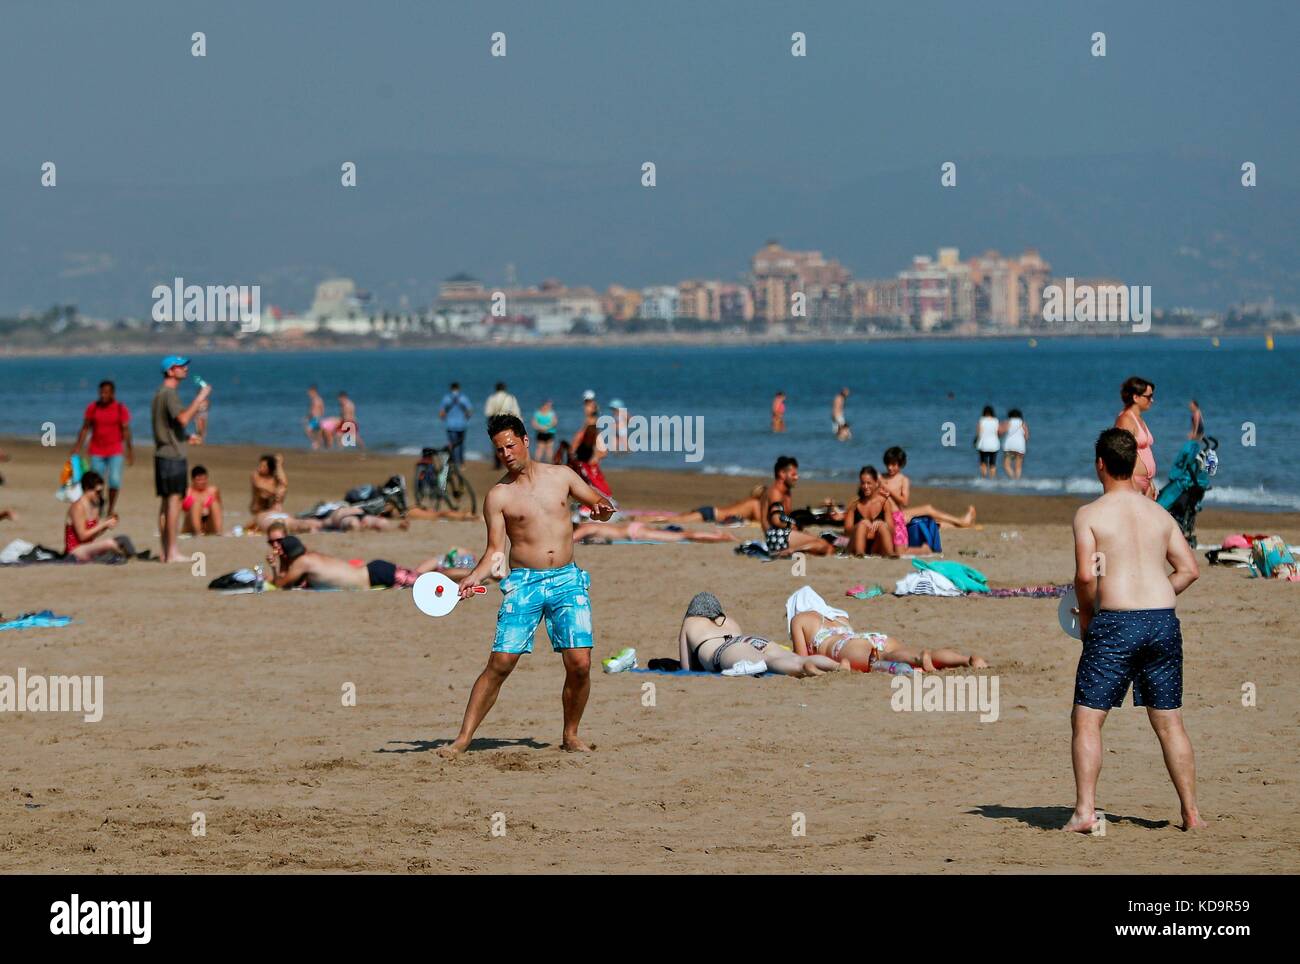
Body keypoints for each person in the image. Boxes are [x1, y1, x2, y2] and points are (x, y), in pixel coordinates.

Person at [438, 414, 616, 759]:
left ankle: (571, 734)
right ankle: (462, 739)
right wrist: (473, 577)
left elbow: (599, 503)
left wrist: (603, 511)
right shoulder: (499, 496)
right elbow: (494, 552)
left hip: (567, 579)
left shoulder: (561, 476)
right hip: (524, 584)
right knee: (501, 663)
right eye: (498, 449)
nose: (505, 453)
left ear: (525, 441)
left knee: (580, 663)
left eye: (510, 445)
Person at [1067, 427, 1203, 833]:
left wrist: (1089, 616)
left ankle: (1085, 812)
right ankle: (1192, 813)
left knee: (1087, 719)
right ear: (1134, 465)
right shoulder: (1159, 514)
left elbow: (1084, 576)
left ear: (1100, 465)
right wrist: (1160, 590)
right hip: (1163, 620)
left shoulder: (1089, 515)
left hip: (1116, 622)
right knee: (1170, 722)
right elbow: (1189, 570)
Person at [787, 586, 986, 672]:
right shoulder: (838, 615)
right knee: (904, 653)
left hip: (844, 647)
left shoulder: (800, 618)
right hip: (867, 637)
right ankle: (966, 660)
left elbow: (800, 659)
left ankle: (919, 659)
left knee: (884, 659)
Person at [677, 592, 840, 677]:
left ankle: (802, 668)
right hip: (750, 640)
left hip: (727, 649)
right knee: (795, 656)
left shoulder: (690, 622)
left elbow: (687, 668)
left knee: (767, 662)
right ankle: (837, 666)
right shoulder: (729, 620)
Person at [152, 356, 210, 562]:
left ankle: (166, 551)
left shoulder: (160, 393)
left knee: (167, 504)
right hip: (172, 457)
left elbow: (168, 426)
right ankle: (172, 552)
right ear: (170, 371)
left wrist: (185, 437)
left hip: (163, 454)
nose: (185, 369)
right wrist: (200, 398)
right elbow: (184, 418)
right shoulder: (169, 394)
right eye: (180, 366)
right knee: (173, 504)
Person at [266, 531, 419, 590]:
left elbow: (281, 584)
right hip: (375, 570)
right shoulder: (311, 556)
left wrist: (275, 565)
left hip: (375, 575)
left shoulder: (303, 563)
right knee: (424, 580)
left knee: (427, 582)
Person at [70, 380, 133, 515]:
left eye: (106, 392)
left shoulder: (120, 408)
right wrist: (77, 446)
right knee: (96, 483)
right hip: (97, 450)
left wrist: (130, 450)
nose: (103, 395)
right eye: (101, 392)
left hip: (115, 450)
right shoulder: (93, 408)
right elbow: (85, 428)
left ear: (112, 393)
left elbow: (126, 430)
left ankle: (111, 507)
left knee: (114, 481)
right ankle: (99, 504)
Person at [878, 447, 976, 531]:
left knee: (928, 517)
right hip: (888, 517)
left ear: (900, 464)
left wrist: (888, 489)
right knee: (926, 514)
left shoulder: (903, 480)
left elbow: (904, 502)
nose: (890, 468)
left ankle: (960, 523)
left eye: (893, 464)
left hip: (899, 514)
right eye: (888, 464)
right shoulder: (880, 477)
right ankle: (961, 522)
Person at [759, 456, 833, 557]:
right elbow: (776, 520)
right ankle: (792, 550)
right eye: (793, 474)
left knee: (824, 545)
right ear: (782, 474)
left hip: (781, 534)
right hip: (775, 537)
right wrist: (794, 526)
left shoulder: (786, 492)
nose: (796, 477)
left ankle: (795, 550)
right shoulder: (775, 492)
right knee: (824, 546)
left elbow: (784, 517)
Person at [65, 470, 133, 562]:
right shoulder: (78, 507)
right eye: (97, 491)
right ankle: (119, 555)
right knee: (109, 543)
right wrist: (103, 524)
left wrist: (106, 526)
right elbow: (82, 536)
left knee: (124, 539)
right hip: (75, 551)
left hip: (88, 547)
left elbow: (93, 535)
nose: (99, 495)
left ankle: (132, 556)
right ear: (86, 489)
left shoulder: (94, 506)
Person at [1114, 376, 1157, 498]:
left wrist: (1150, 483)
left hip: (1145, 483)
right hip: (1133, 484)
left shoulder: (1138, 418)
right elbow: (1120, 456)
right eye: (1148, 396)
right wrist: (1133, 487)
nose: (1152, 400)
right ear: (1136, 397)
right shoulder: (1126, 420)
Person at [645, 485, 765, 525]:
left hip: (710, 511)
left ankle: (643, 518)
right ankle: (643, 519)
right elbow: (762, 521)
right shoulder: (754, 504)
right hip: (711, 515)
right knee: (675, 520)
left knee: (678, 517)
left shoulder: (747, 501)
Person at [572, 521, 736, 544]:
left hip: (634, 533)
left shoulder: (585, 528)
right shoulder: (587, 524)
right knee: (683, 533)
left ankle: (721, 537)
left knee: (684, 536)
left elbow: (572, 539)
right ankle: (718, 535)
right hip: (633, 528)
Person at [568, 423, 612, 499]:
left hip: (584, 466)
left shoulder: (583, 440)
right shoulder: (590, 441)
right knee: (599, 487)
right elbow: (603, 453)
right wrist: (595, 457)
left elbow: (572, 451)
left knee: (593, 486)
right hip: (588, 467)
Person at [485, 382, 521, 468]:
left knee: (496, 443)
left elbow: (488, 412)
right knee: (509, 442)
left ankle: (497, 462)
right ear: (505, 388)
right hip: (508, 422)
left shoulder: (492, 398)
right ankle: (509, 460)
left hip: (495, 422)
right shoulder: (510, 398)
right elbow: (516, 412)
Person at [181, 465, 223, 535]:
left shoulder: (213, 491)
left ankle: (219, 531)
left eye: (204, 479)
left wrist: (207, 509)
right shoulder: (187, 492)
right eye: (199, 480)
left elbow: (220, 507)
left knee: (214, 504)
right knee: (196, 505)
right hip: (190, 523)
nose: (202, 482)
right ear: (193, 480)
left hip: (208, 523)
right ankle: (198, 532)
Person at [438, 382, 472, 465]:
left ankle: (454, 462)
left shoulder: (446, 398)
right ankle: (461, 462)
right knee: (461, 444)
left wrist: (445, 419)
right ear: (459, 388)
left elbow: (441, 413)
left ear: (451, 388)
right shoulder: (464, 398)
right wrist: (465, 419)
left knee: (452, 444)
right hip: (462, 425)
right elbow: (469, 411)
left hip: (450, 425)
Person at [1002, 408, 1028, 479]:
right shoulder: (1023, 423)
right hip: (1020, 447)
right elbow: (1026, 436)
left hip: (1009, 446)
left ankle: (1012, 478)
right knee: (1018, 466)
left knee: (1006, 465)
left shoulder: (1008, 422)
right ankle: (1017, 481)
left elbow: (1001, 432)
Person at [976, 405, 1001, 478]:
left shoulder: (981, 420)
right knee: (993, 463)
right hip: (994, 444)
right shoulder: (996, 420)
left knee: (983, 462)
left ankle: (984, 478)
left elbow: (978, 432)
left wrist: (976, 440)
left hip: (983, 444)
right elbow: (998, 432)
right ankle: (992, 479)